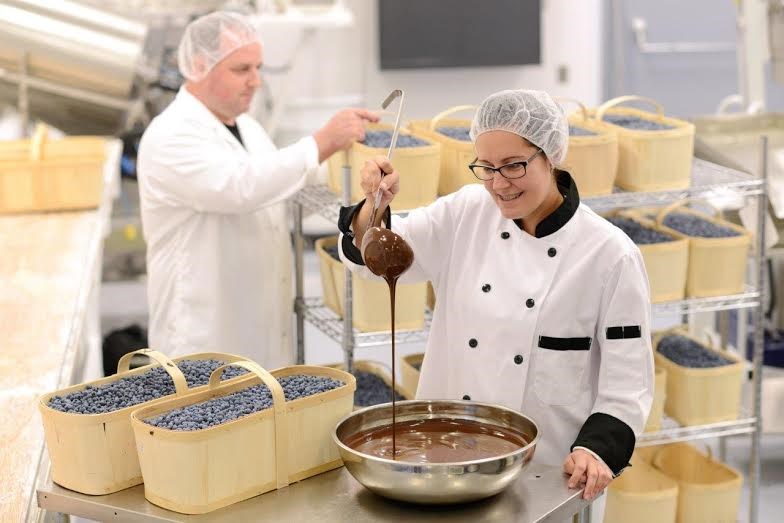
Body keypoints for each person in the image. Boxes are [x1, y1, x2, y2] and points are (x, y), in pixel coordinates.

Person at [337, 89, 654, 512]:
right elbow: (372, 259)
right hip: (440, 467)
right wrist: (373, 207)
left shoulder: (609, 255)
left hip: (543, 476)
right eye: (486, 167)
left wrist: (596, 451)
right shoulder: (466, 212)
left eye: (514, 165)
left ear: (552, 155)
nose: (499, 184)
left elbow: (628, 385)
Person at [137, 11, 378, 368]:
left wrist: (354, 173)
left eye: (258, 67)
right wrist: (322, 142)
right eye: (241, 69)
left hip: (259, 331)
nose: (256, 81)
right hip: (203, 339)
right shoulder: (170, 135)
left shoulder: (248, 128)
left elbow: (280, 193)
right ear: (200, 65)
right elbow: (240, 188)